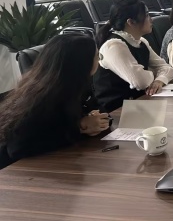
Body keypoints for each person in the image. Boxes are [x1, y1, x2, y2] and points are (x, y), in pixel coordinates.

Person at [0, 34, 110, 169]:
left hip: (60, 161)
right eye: (97, 56)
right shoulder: (42, 97)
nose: (99, 61)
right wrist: (79, 127)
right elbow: (18, 148)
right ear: (82, 63)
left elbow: (100, 109)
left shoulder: (78, 85)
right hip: (19, 171)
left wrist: (96, 121)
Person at [93, 0, 173, 112]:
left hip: (138, 103)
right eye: (146, 15)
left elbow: (167, 68)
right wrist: (154, 72)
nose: (151, 19)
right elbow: (141, 82)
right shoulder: (114, 46)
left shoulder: (141, 41)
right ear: (131, 22)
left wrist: (159, 80)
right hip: (116, 110)